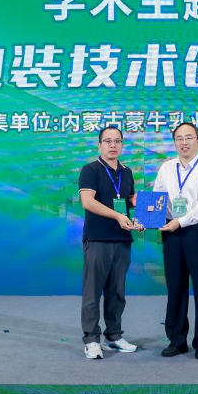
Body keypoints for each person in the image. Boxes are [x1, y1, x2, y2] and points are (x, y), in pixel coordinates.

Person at [153, 122, 198, 360]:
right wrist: (147, 218)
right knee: (175, 287)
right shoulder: (166, 168)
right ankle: (177, 340)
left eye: (189, 137)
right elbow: (158, 198)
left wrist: (180, 222)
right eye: (179, 138)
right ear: (174, 143)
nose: (184, 142)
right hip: (171, 232)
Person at [78, 125, 140, 359]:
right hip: (98, 238)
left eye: (117, 141)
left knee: (117, 293)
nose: (113, 145)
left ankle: (113, 336)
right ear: (99, 145)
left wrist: (143, 214)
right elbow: (88, 201)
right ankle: (91, 340)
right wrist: (117, 216)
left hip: (122, 238)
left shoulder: (127, 171)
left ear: (122, 145)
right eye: (108, 141)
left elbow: (129, 200)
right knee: (92, 292)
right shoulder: (90, 170)